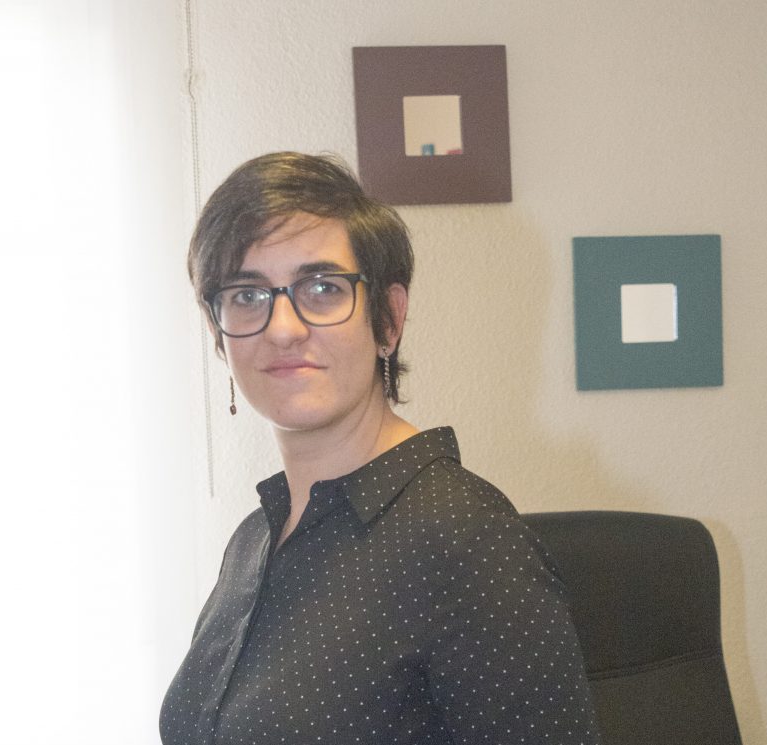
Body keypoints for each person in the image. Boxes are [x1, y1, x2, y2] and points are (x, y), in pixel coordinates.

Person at [160, 152, 602, 745]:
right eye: (246, 295)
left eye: (322, 288)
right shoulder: (254, 540)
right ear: (219, 334)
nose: (283, 328)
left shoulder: (467, 540)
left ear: (388, 319)